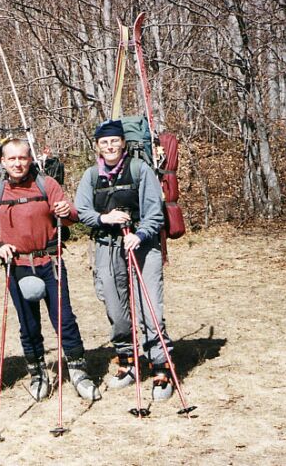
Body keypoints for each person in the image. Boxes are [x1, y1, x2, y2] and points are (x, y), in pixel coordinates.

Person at [0, 134, 100, 402]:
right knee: (28, 324)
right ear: (2, 162)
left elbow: (70, 218)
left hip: (50, 262)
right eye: (12, 159)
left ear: (30, 159)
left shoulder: (47, 184)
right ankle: (38, 372)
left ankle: (78, 370)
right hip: (17, 266)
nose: (18, 163)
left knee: (64, 318)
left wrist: (66, 211)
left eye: (22, 158)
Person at [74, 119, 174, 401]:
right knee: (116, 310)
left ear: (123, 143)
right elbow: (81, 210)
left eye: (114, 141)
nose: (110, 147)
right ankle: (127, 361)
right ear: (97, 146)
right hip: (107, 246)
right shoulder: (91, 176)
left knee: (149, 308)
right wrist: (103, 218)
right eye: (104, 142)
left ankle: (160, 366)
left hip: (142, 245)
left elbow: (155, 211)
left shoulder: (140, 170)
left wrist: (140, 234)